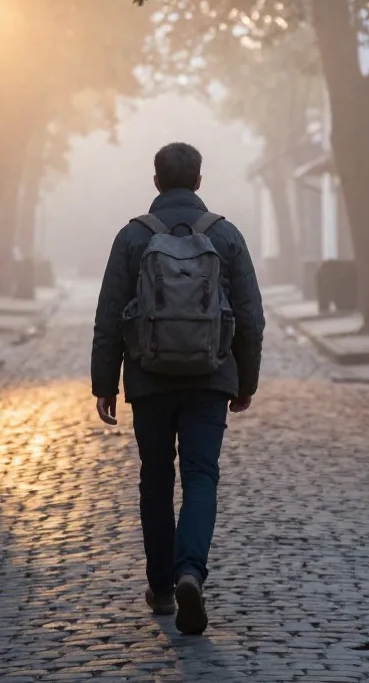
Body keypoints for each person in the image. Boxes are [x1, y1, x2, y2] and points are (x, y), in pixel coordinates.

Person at [90, 141, 265, 636]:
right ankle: (190, 572)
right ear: (199, 181)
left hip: (149, 378)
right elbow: (251, 317)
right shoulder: (225, 235)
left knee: (155, 477)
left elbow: (109, 315)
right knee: (201, 475)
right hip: (210, 377)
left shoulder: (133, 236)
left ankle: (162, 589)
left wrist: (105, 383)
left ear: (156, 181)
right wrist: (245, 381)